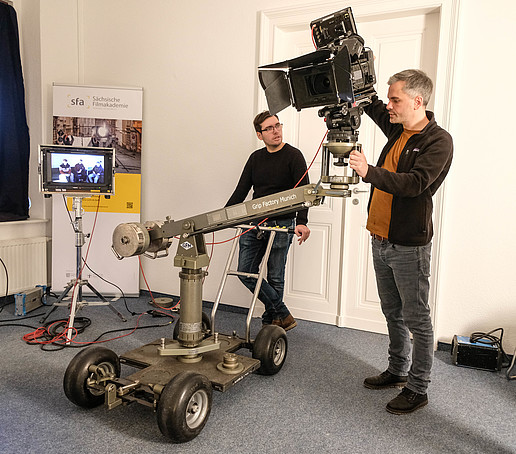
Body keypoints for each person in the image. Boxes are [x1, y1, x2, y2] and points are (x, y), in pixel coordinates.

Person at [349, 69, 453, 414]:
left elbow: (414, 184)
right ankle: (396, 370)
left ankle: (418, 387)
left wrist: (368, 171)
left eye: (396, 100)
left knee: (416, 318)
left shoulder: (439, 141)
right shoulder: (398, 128)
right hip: (380, 238)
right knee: (391, 311)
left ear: (417, 101)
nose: (389, 106)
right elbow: (375, 107)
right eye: (390, 98)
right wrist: (358, 83)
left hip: (409, 245)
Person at [225, 111, 311, 331]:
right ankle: (282, 314)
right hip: (255, 223)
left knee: (275, 275)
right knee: (245, 272)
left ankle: (270, 324)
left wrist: (302, 221)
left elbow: (304, 192)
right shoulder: (256, 158)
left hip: (282, 223)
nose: (276, 131)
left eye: (278, 126)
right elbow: (241, 190)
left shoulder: (294, 156)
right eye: (270, 128)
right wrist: (224, 216)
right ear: (259, 134)